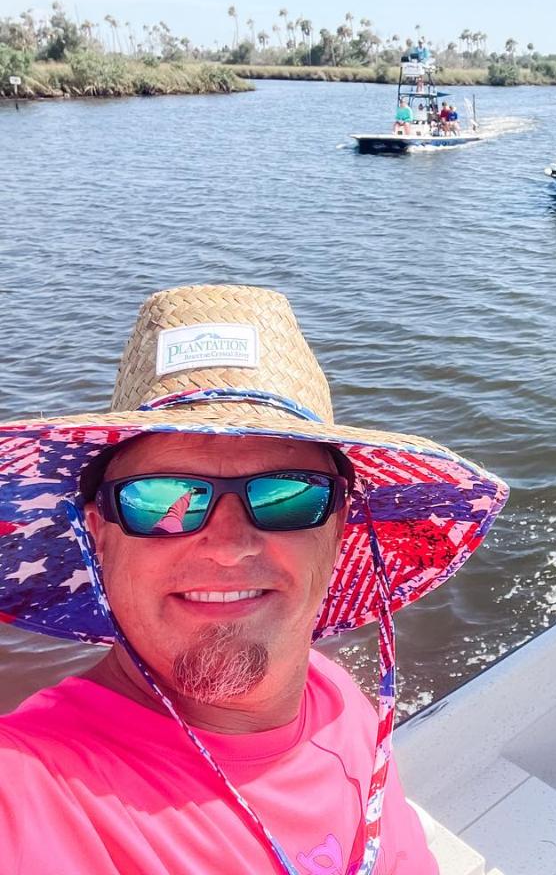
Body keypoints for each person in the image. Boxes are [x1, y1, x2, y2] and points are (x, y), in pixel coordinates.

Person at [0, 285, 509, 873]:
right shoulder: (31, 786)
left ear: (341, 529)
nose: (228, 546)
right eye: (163, 497)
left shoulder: (336, 697)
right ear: (99, 534)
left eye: (286, 497)